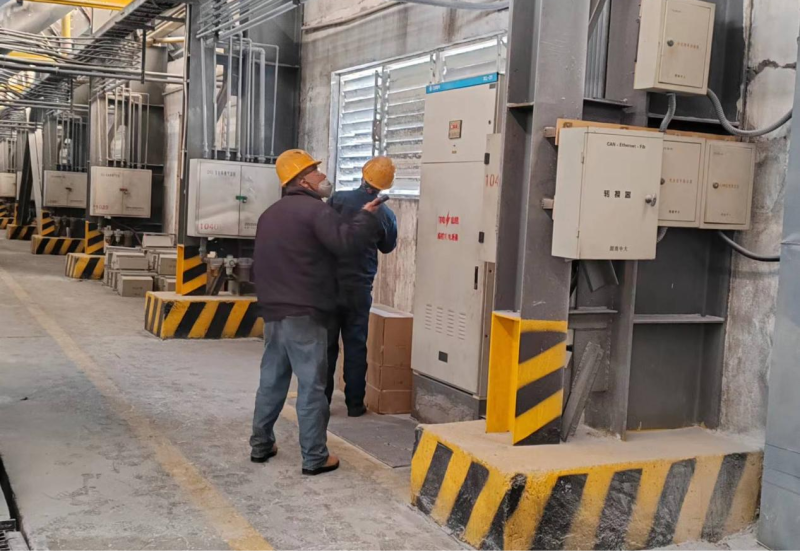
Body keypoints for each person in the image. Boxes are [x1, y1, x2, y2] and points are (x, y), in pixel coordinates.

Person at [250, 149, 383, 476]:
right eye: (316, 171)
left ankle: (261, 444)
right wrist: (366, 216)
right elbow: (346, 244)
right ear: (302, 180)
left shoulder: (269, 214)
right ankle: (314, 456)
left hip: (274, 312)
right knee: (311, 386)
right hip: (305, 313)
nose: (323, 176)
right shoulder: (316, 211)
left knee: (272, 381)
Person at [324, 156, 398, 417]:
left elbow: (322, 231)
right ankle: (355, 404)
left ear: (363, 174)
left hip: (330, 285)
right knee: (356, 345)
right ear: (386, 185)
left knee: (327, 346)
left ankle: (321, 402)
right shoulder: (386, 214)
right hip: (359, 288)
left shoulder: (338, 200)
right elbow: (387, 247)